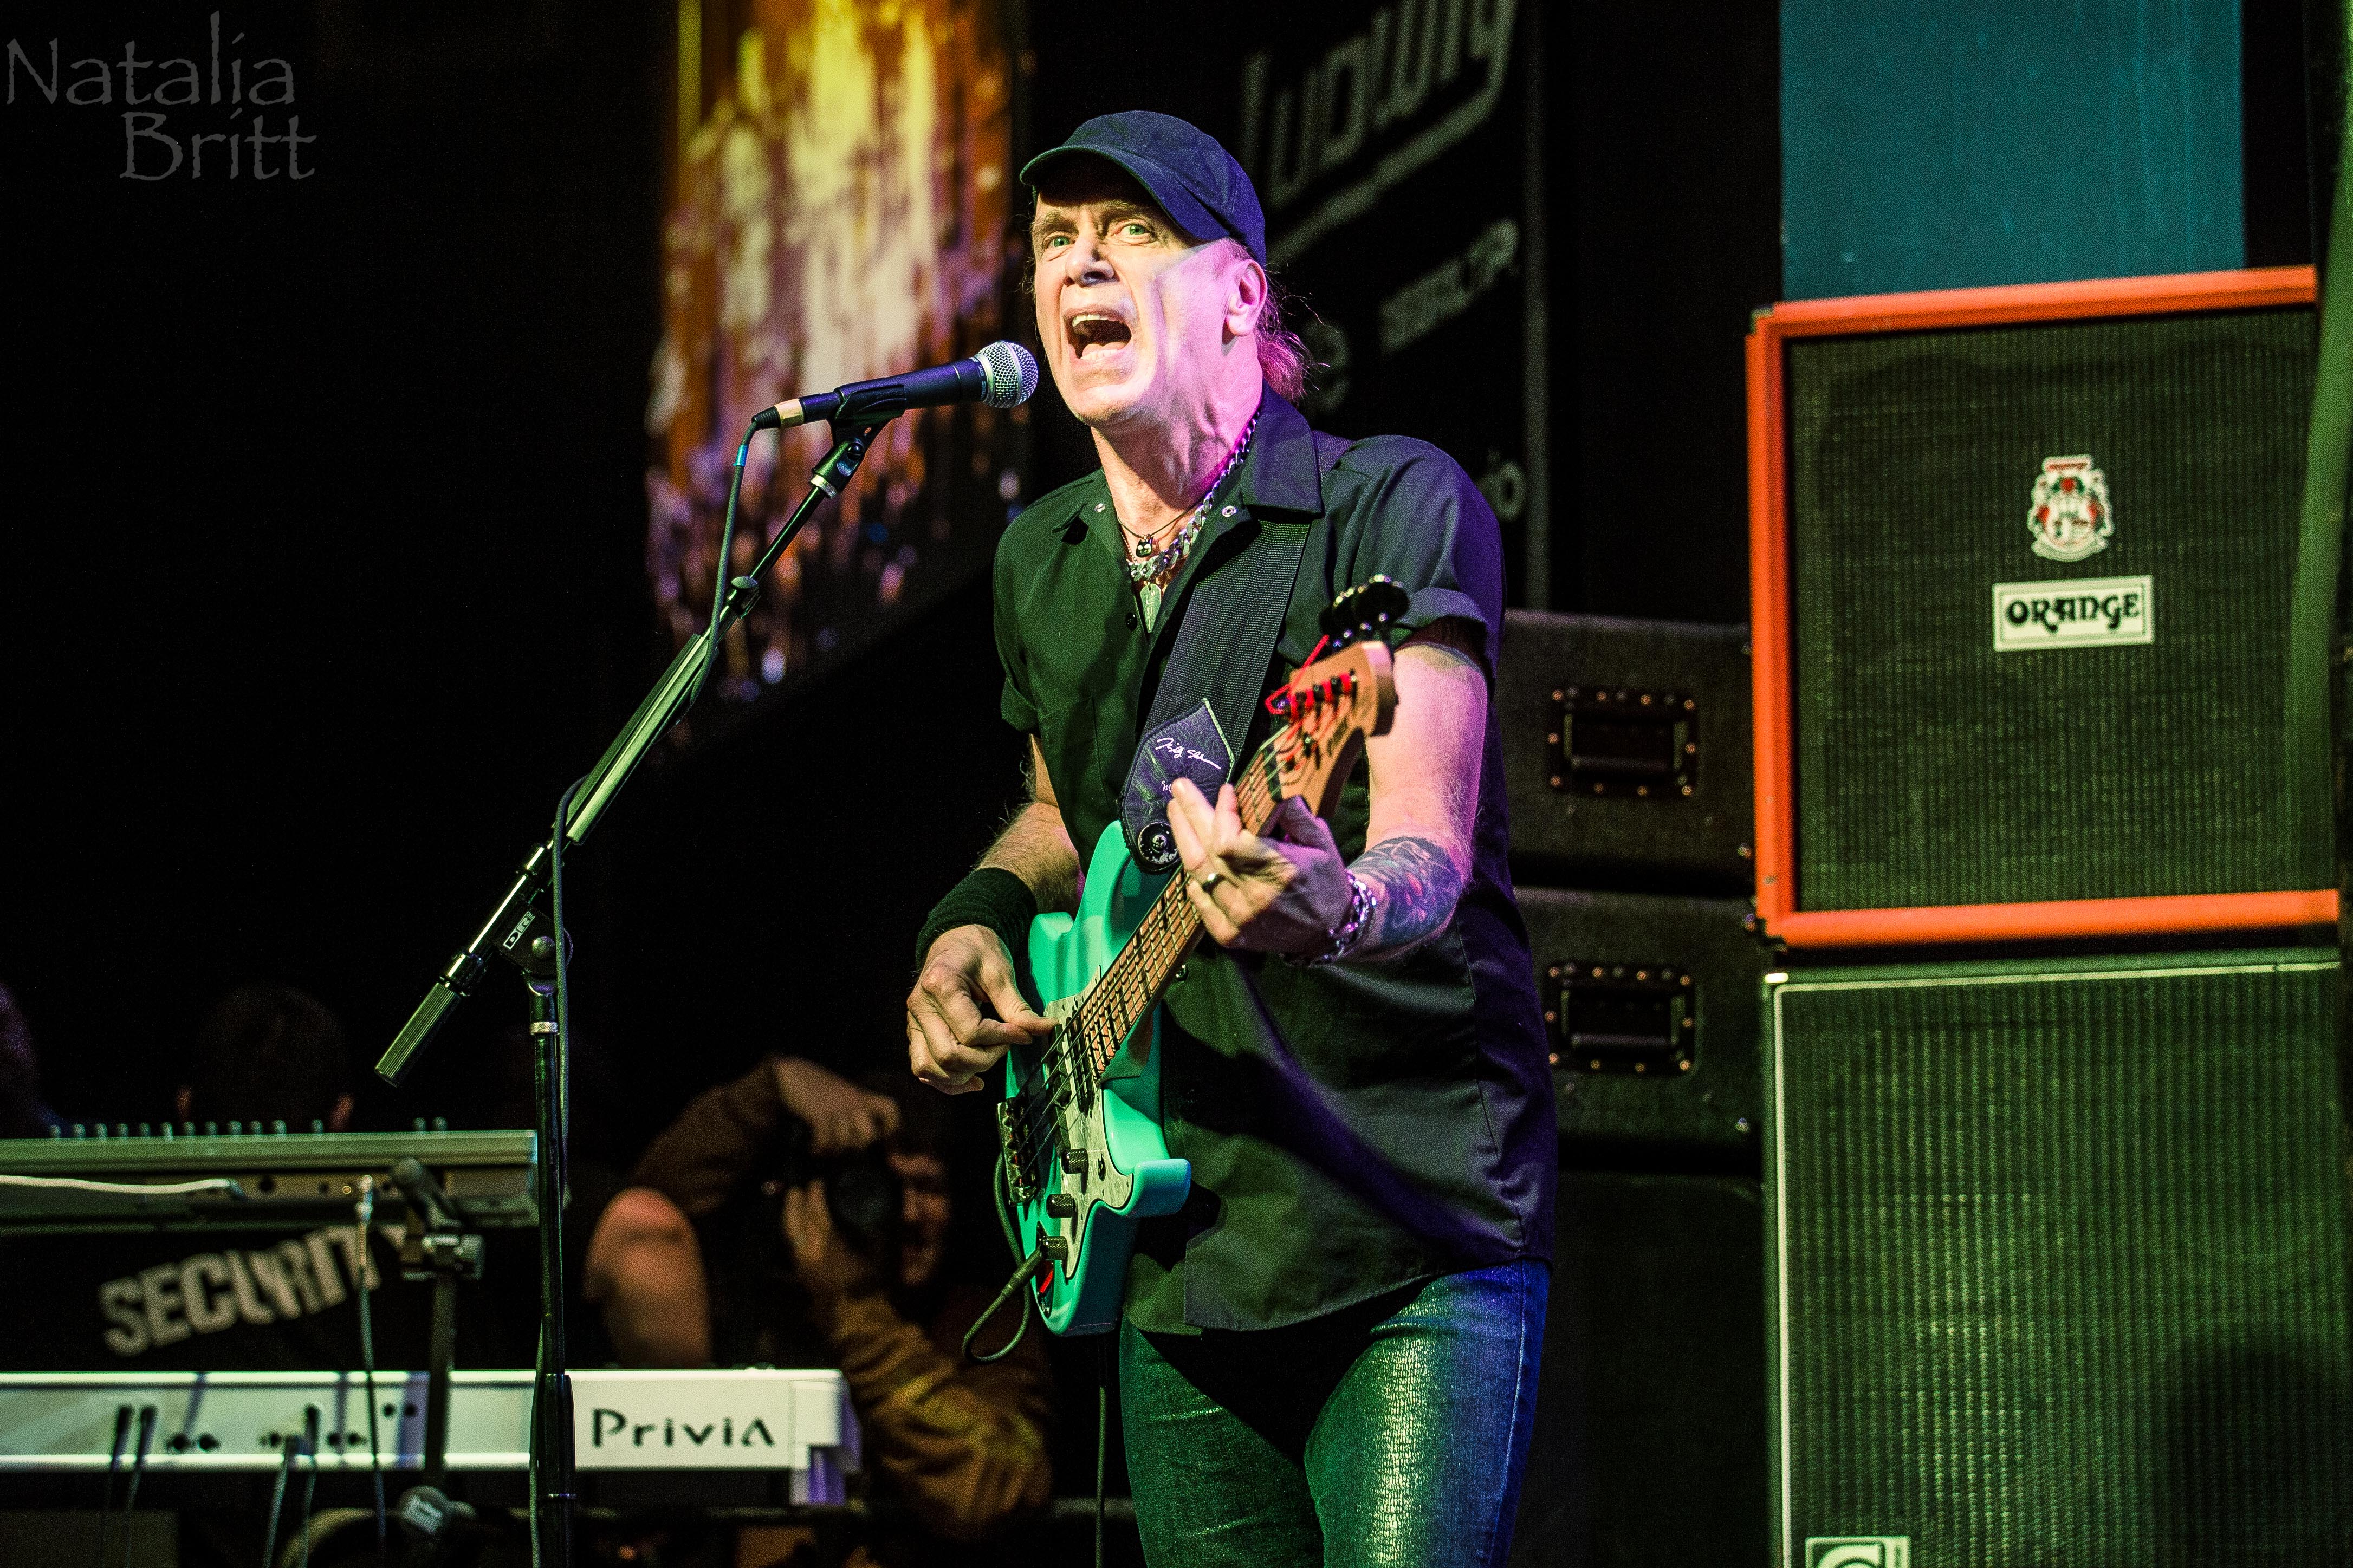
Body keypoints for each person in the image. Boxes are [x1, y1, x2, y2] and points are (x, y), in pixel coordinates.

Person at [902, 111, 1557, 1567]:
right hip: (1178, 1246)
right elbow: (1063, 812)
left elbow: (1424, 847)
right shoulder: (1041, 559)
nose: (1082, 263)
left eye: (1131, 232)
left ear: (1240, 295)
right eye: (1056, 240)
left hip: (1401, 1220)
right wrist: (973, 916)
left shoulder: (1384, 501)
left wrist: (1336, 907)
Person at [582, 1054, 1054, 1560]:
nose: (907, 1214)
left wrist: (854, 1308)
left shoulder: (984, 1323)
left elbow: (992, 1490)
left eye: (928, 1186)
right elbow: (649, 1221)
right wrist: (770, 1089)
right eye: (877, 1188)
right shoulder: (762, 1296)